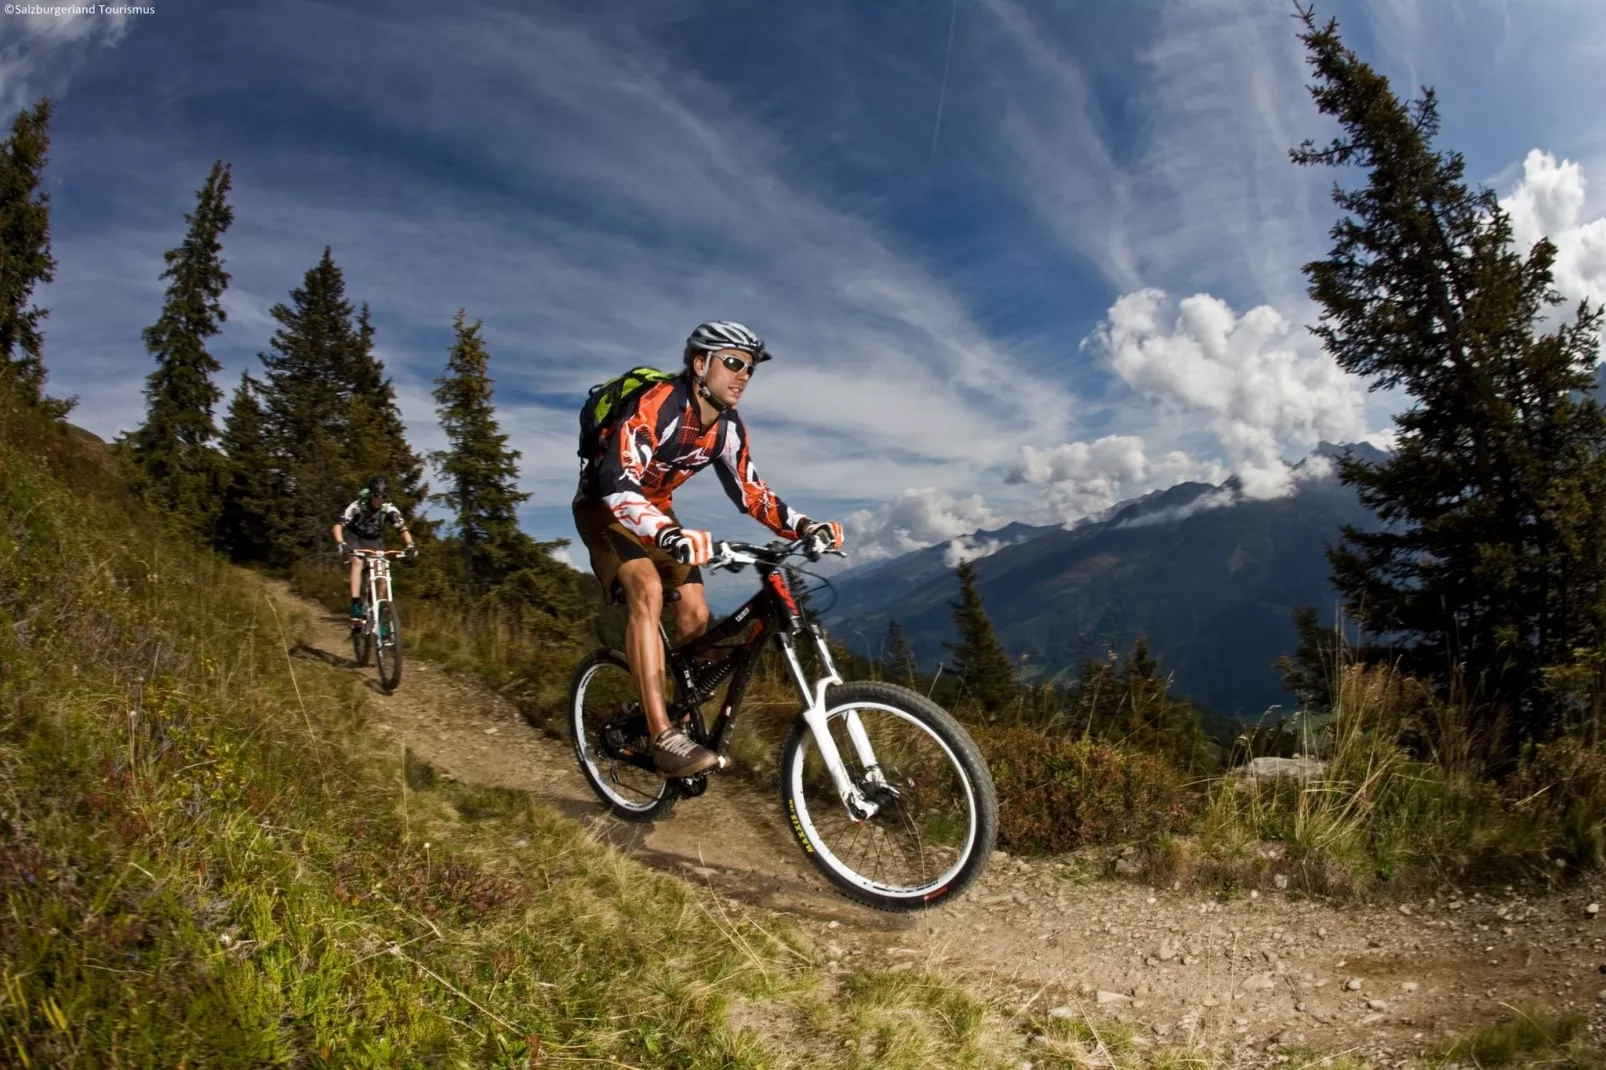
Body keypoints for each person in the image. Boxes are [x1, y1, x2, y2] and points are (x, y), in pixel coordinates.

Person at [573, 320, 845, 777]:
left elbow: (752, 493)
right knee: (648, 591)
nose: (743, 375)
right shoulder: (658, 404)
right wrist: (667, 534)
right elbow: (616, 481)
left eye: (750, 369)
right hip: (606, 508)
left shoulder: (727, 428)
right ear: (700, 364)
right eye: (734, 363)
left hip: (656, 513)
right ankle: (663, 737)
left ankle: (680, 716)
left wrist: (804, 526)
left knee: (696, 614)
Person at [332, 475, 416, 627]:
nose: (379, 500)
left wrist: (410, 545)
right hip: (354, 537)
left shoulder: (389, 509)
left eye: (383, 496)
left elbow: (402, 529)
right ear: (371, 494)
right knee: (357, 561)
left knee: (383, 571)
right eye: (377, 496)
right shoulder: (358, 506)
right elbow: (338, 525)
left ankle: (378, 609)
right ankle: (356, 604)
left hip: (374, 541)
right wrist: (341, 543)